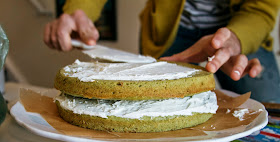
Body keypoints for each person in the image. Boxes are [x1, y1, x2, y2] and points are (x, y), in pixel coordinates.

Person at [44, 0, 280, 103]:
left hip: (242, 32)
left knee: (270, 114)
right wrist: (79, 9)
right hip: (169, 31)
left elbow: (262, 7)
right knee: (150, 104)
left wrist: (237, 39)